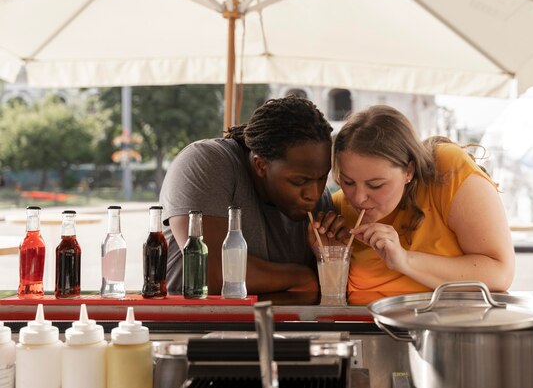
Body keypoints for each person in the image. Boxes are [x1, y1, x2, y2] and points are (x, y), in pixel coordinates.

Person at [312, 105, 515, 295]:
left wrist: (405, 260)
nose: (358, 197)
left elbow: (500, 273)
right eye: (347, 182)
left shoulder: (445, 171)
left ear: (408, 170)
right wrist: (328, 258)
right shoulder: (338, 210)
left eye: (376, 185)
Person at [160, 96, 349, 295]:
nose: (314, 194)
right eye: (299, 182)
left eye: (322, 178)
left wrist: (330, 261)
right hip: (188, 325)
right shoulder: (206, 163)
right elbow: (210, 272)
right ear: (261, 165)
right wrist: (300, 277)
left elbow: (322, 297)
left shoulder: (322, 204)